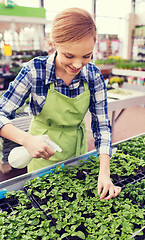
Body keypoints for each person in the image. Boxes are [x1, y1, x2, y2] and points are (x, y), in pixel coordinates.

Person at [0, 8, 121, 200]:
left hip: (76, 151)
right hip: (40, 153)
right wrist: (26, 140)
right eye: (69, 56)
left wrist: (104, 172)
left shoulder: (93, 75)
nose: (78, 64)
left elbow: (102, 126)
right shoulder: (35, 71)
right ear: (53, 44)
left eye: (87, 56)